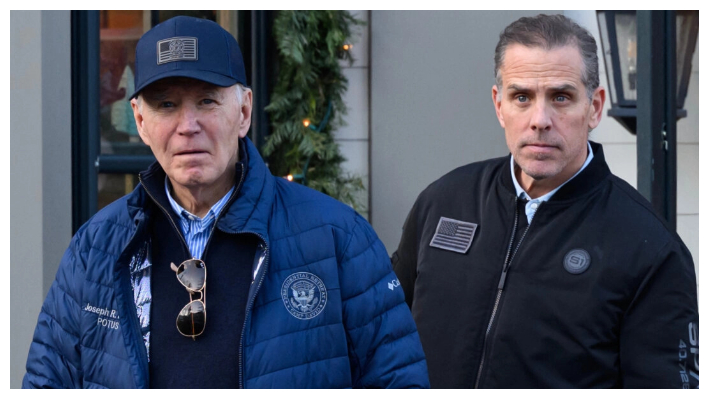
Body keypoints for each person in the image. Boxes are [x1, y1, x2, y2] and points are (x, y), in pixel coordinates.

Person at [23, 16, 429, 389]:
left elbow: (398, 382)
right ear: (141, 121)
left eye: (207, 101)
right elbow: (47, 383)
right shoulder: (96, 247)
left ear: (244, 112)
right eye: (166, 104)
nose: (188, 126)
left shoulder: (339, 238)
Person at [392, 14, 698, 389]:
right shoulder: (443, 202)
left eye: (561, 97)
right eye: (522, 97)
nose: (540, 119)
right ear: (499, 104)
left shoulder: (650, 250)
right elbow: (382, 334)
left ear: (595, 106)